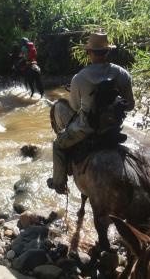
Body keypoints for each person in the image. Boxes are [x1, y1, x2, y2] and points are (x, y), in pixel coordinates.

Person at [47, 31, 135, 194]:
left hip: (87, 129)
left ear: (89, 53)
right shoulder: (123, 74)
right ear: (108, 51)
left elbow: (74, 108)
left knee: (58, 145)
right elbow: (130, 106)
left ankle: (58, 183)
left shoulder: (79, 78)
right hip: (113, 128)